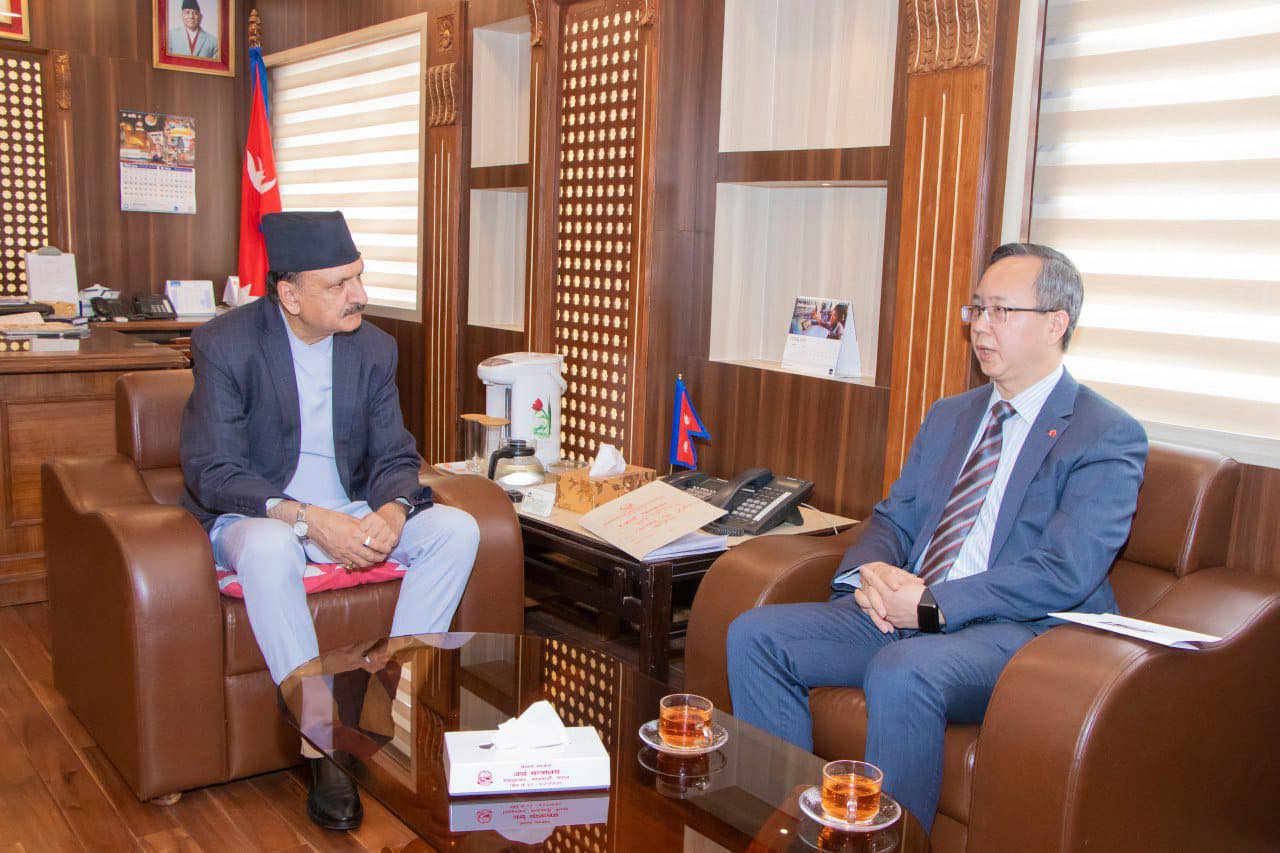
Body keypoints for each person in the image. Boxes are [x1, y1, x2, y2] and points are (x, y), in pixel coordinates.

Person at [726, 243, 1147, 831]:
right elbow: (894, 518)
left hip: (1018, 630)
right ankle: (783, 829)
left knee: (904, 669)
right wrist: (871, 575)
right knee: (756, 635)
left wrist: (934, 604)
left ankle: (889, 844)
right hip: (908, 607)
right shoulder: (952, 415)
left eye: (1002, 311)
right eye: (977, 309)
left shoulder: (1105, 434)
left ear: (1057, 323)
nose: (982, 326)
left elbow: (1066, 569)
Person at [180, 210, 480, 831]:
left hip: (351, 507)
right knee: (270, 549)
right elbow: (213, 470)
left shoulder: (373, 347)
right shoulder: (225, 344)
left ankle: (380, 709)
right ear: (289, 295)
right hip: (261, 514)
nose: (359, 295)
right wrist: (307, 520)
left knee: (457, 531)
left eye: (359, 277)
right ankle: (322, 744)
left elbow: (394, 456)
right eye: (339, 284)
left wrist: (394, 510)